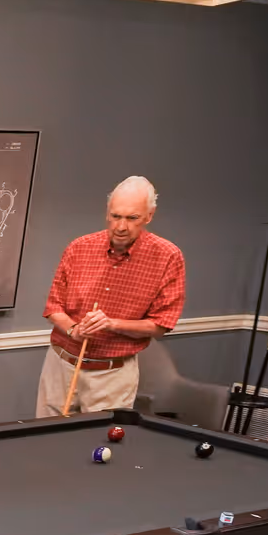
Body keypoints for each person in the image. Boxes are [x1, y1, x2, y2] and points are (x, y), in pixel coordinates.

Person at [38, 176, 186, 417]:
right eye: (116, 216)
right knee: (47, 435)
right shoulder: (79, 247)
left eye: (132, 218)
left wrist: (111, 324)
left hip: (112, 375)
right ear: (107, 212)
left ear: (149, 216)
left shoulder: (168, 257)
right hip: (61, 365)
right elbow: (54, 307)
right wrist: (74, 330)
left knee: (98, 438)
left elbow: (161, 325)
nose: (121, 227)